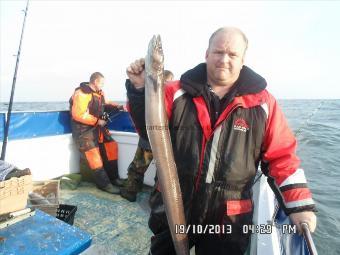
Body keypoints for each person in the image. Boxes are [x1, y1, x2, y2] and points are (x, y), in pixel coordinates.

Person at [125, 27, 317, 254]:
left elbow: (282, 157)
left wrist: (300, 206)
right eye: (218, 52)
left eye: (232, 54)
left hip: (228, 220)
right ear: (206, 54)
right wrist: (139, 89)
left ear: (243, 59)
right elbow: (150, 133)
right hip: (173, 210)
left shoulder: (263, 104)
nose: (224, 59)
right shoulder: (174, 92)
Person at [121, 70, 174, 202]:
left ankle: (130, 192)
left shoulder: (151, 94)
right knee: (161, 174)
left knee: (138, 167)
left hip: (147, 138)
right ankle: (156, 201)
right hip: (165, 142)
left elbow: (135, 110)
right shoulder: (175, 96)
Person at [70, 72, 124, 194]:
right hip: (83, 132)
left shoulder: (99, 94)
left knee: (111, 146)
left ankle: (114, 178)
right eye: (102, 83)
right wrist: (97, 121)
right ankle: (105, 185)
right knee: (94, 157)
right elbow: (78, 114)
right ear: (95, 82)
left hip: (97, 129)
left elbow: (106, 103)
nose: (103, 86)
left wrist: (119, 106)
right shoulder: (82, 93)